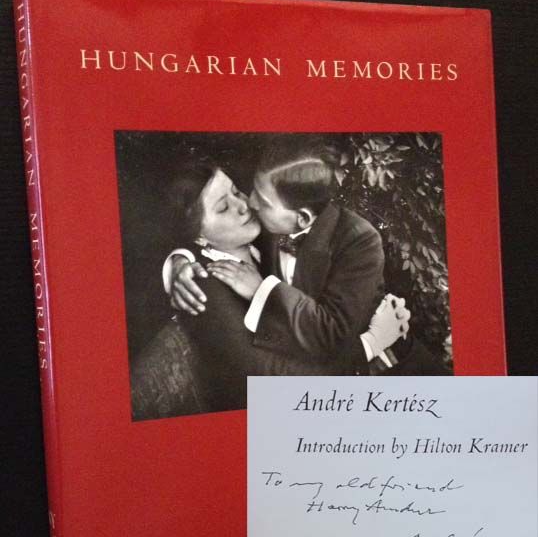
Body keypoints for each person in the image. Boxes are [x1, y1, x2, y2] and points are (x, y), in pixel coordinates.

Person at [163, 154, 411, 384]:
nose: (245, 205)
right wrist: (370, 345)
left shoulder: (265, 233)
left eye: (236, 191)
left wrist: (179, 259)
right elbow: (275, 377)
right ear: (198, 237)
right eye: (223, 208)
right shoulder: (202, 290)